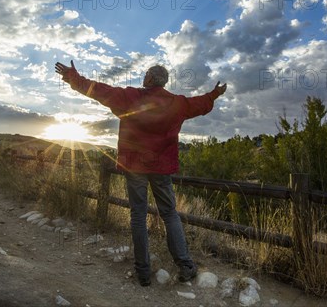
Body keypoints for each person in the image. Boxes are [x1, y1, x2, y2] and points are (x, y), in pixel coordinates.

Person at [55, 60, 227, 286]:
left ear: (149, 79)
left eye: (145, 74)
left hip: (134, 164)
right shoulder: (177, 103)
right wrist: (214, 93)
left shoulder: (130, 97)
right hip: (161, 167)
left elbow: (98, 90)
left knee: (138, 214)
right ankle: (185, 266)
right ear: (163, 82)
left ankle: (143, 272)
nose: (143, 77)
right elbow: (200, 104)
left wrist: (73, 78)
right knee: (170, 214)